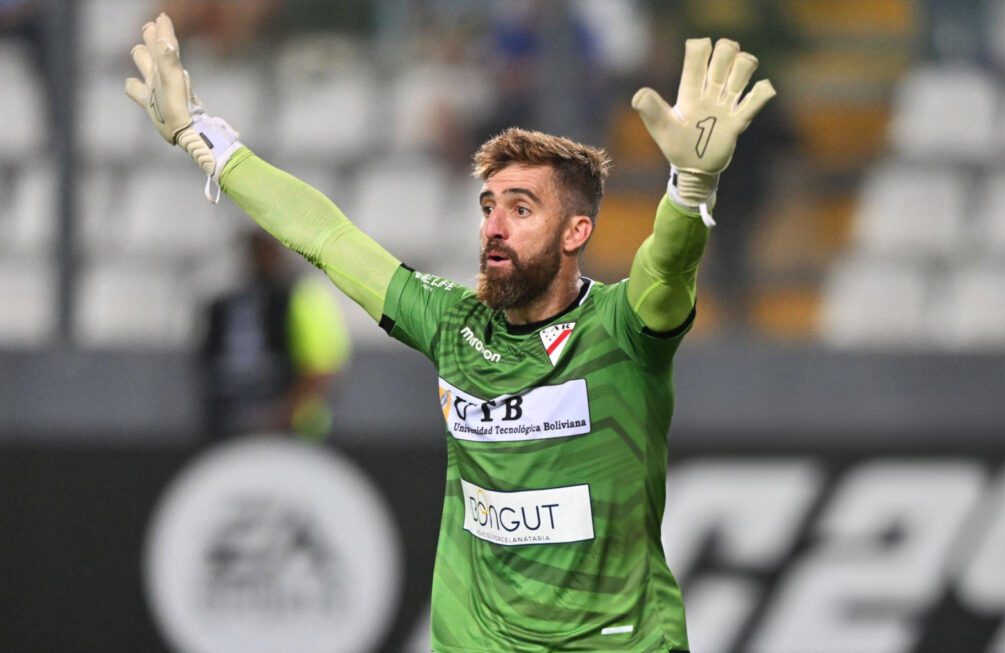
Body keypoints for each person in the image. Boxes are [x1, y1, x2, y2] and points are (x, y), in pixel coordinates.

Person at [125, 13, 774, 652]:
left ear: (577, 232)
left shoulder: (622, 330)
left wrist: (689, 190)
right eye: (488, 206)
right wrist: (207, 141)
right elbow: (327, 238)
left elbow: (667, 268)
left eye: (522, 209)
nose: (494, 225)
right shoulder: (451, 323)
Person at [201, 229, 350, 441]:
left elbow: (322, 372)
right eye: (255, 248)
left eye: (268, 247)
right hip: (236, 429)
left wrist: (277, 417)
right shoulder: (226, 305)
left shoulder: (305, 297)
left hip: (298, 434)